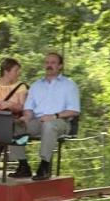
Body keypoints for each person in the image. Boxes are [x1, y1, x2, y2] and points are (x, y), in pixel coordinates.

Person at [22, 52, 80, 180]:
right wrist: (26, 117)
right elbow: (29, 108)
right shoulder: (36, 85)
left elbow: (74, 110)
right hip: (38, 120)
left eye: (53, 63)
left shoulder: (69, 85)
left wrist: (54, 116)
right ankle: (23, 165)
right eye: (47, 62)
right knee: (14, 126)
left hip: (61, 121)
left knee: (49, 126)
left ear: (60, 66)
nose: (49, 65)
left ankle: (44, 166)